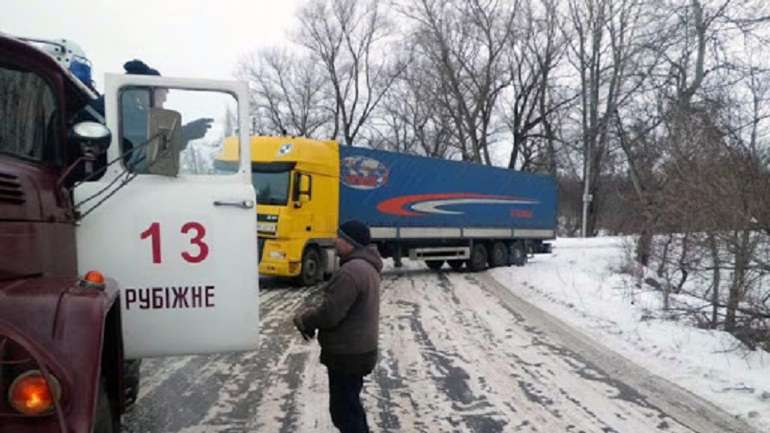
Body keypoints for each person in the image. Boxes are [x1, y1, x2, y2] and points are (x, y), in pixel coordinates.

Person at [293, 220, 383, 433]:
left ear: (351, 243)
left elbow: (330, 314)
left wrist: (306, 320)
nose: (336, 240)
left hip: (348, 354)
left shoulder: (351, 272)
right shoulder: (366, 267)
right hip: (359, 351)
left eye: (340, 237)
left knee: (345, 412)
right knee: (350, 406)